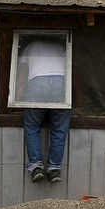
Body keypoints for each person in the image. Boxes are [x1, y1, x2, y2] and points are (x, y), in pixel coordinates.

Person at [17, 38, 71, 184]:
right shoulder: (62, 47)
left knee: (32, 126)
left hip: (38, 82)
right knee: (59, 129)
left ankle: (36, 167)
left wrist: (19, 98)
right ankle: (54, 169)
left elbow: (22, 72)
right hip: (62, 82)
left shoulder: (29, 47)